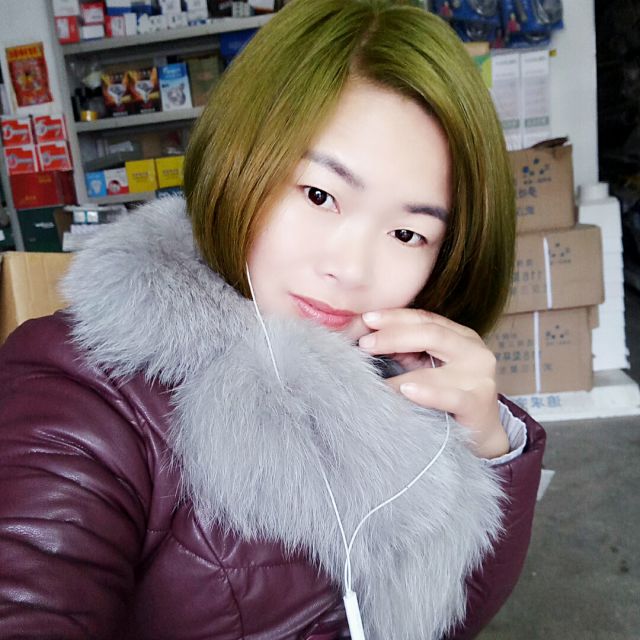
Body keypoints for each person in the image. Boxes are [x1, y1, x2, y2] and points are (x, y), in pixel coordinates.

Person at [0, 1, 545, 638]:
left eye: (406, 233)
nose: (351, 268)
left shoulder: (397, 372)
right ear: (243, 159)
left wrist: (489, 451)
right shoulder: (84, 388)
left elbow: (444, 618)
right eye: (319, 194)